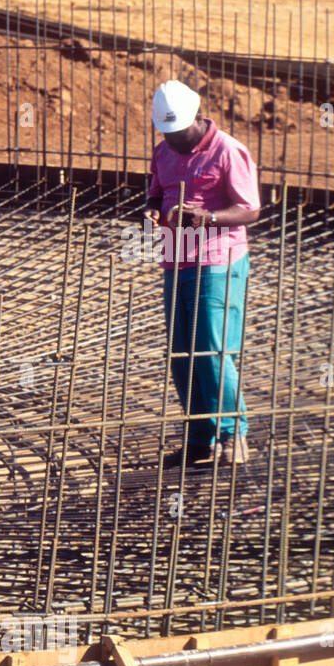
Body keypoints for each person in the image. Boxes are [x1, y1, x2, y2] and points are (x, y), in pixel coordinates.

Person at [144, 80, 260, 467]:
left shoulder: (229, 151)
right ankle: (200, 438)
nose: (171, 140)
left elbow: (250, 209)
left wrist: (207, 217)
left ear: (195, 120)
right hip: (176, 259)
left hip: (218, 259)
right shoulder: (163, 151)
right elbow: (157, 192)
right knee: (182, 354)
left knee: (211, 350)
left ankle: (234, 434)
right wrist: (152, 209)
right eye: (166, 133)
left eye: (177, 133)